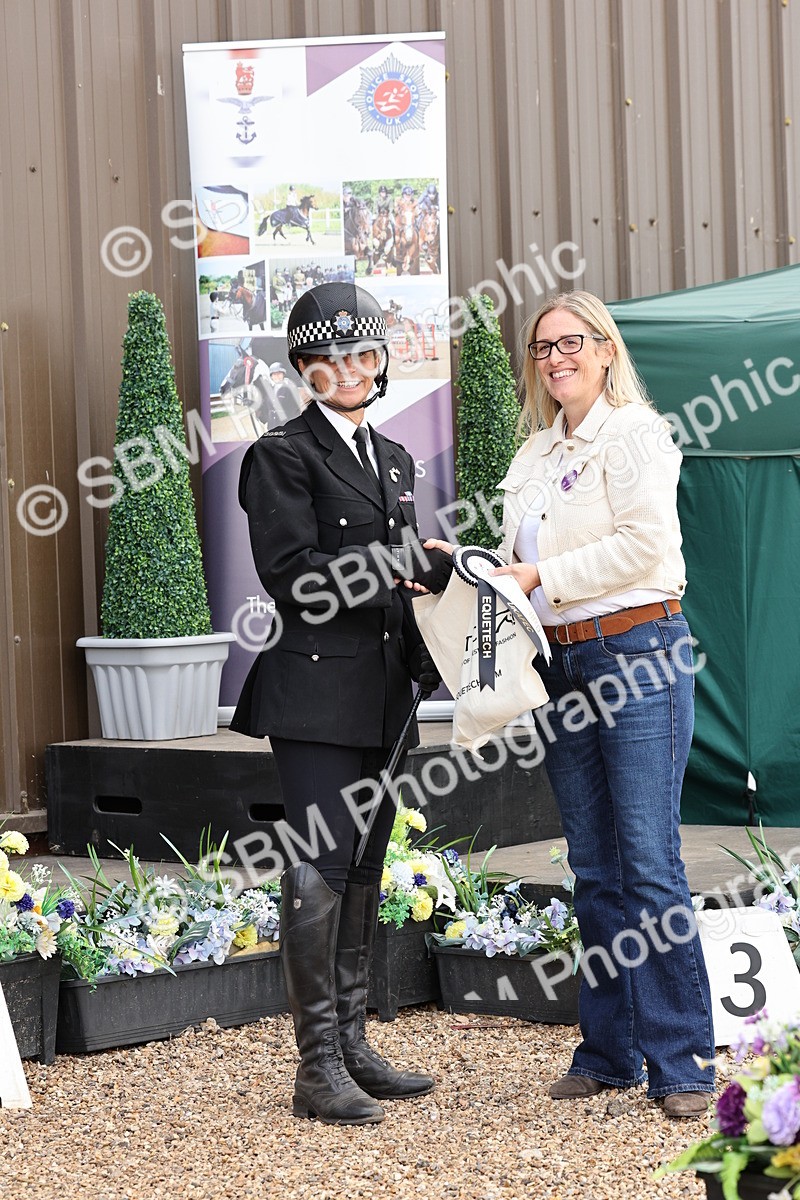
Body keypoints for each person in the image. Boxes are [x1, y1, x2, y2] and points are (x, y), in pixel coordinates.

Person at [426, 290, 715, 1118]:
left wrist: (538, 576)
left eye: (571, 343)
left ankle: (683, 1063)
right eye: (543, 348)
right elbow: (524, 560)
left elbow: (645, 546)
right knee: (592, 867)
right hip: (562, 664)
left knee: (649, 862)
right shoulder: (533, 455)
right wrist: (472, 564)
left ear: (605, 348)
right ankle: (609, 1053)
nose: (556, 358)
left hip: (638, 655)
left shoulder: (636, 436)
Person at [231, 282, 451, 1125]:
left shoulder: (393, 458)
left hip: (387, 692)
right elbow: (291, 579)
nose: (348, 371)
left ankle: (354, 1044)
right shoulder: (281, 454)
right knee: (322, 870)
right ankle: (316, 1066)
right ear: (303, 373)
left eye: (362, 355)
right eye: (328, 361)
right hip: (317, 691)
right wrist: (395, 565)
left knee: (363, 869)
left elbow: (406, 579)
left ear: (382, 361)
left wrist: (434, 583)